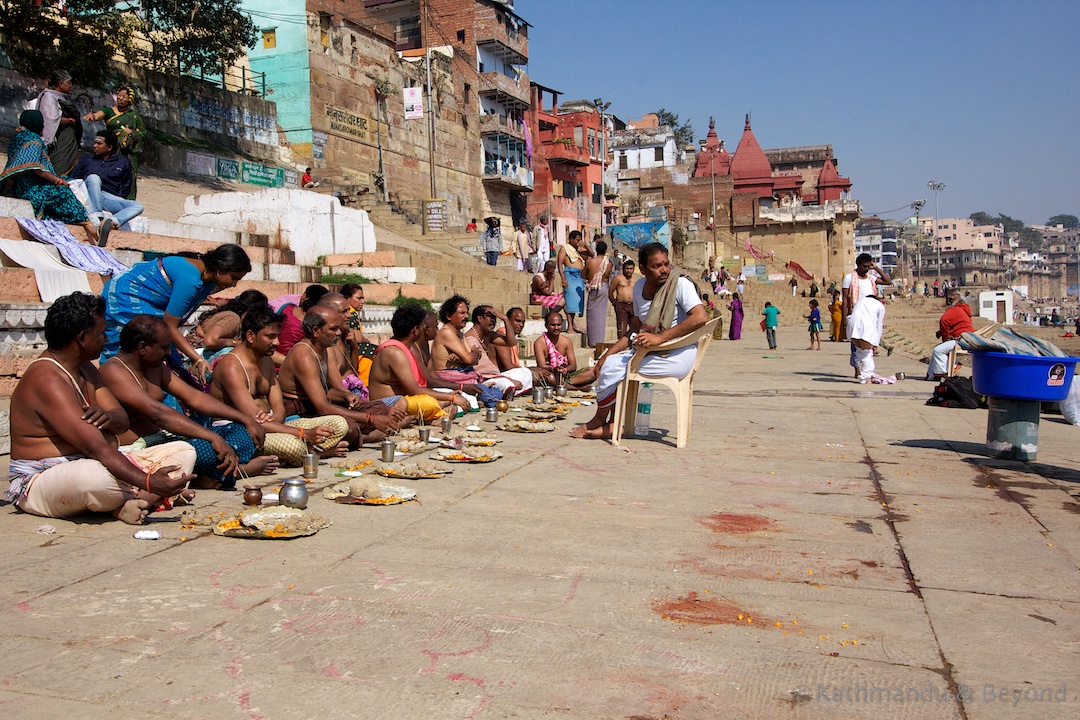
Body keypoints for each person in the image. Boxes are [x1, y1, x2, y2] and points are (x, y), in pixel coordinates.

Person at [3, 293, 194, 524]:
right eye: (101, 333)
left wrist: (108, 416)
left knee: (183, 451)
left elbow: (121, 421)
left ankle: (134, 503)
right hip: (42, 479)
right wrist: (149, 481)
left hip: (96, 460)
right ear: (83, 338)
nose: (106, 338)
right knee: (95, 479)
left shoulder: (87, 369)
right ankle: (146, 496)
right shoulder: (47, 377)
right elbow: (97, 448)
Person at [100, 314, 270, 490]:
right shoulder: (114, 371)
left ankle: (208, 474)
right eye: (164, 347)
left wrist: (245, 418)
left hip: (165, 439)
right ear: (143, 347)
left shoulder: (155, 367)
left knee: (240, 432)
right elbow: (158, 414)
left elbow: (194, 397)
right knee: (203, 450)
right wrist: (212, 436)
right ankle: (237, 470)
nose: (168, 353)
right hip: (139, 448)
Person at [570, 242, 706, 440]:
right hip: (651, 352)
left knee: (614, 368)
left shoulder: (680, 285)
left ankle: (600, 420)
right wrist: (605, 355)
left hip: (678, 355)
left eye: (666, 264)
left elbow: (700, 317)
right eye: (657, 266)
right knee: (609, 363)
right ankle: (614, 423)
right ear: (643, 269)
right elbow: (635, 329)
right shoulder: (639, 287)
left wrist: (659, 338)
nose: (664, 270)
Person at [210, 305, 349, 465]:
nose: (276, 342)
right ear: (250, 336)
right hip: (242, 431)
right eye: (270, 337)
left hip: (274, 424)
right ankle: (313, 454)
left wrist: (276, 420)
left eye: (277, 336)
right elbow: (254, 420)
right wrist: (303, 433)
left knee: (339, 424)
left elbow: (279, 407)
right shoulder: (231, 366)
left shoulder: (266, 360)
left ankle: (304, 454)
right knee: (293, 446)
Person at [102, 244, 252, 381]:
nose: (234, 284)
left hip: (147, 303)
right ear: (220, 270)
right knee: (130, 351)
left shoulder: (205, 278)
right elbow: (170, 326)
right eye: (234, 278)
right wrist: (198, 360)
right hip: (126, 298)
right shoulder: (191, 281)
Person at [277, 306, 405, 447]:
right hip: (300, 415)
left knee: (379, 408)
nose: (338, 333)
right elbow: (322, 407)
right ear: (315, 331)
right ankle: (363, 437)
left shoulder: (323, 350)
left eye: (339, 328)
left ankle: (365, 431)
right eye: (333, 329)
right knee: (346, 426)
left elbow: (326, 391)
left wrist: (345, 396)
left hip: (318, 408)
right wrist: (371, 419)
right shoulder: (304, 355)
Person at [0, 110, 100, 245]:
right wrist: (57, 180)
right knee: (64, 191)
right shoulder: (33, 139)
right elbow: (36, 168)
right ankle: (90, 225)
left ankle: (90, 221)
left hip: (23, 186)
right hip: (30, 188)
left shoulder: (18, 137)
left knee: (71, 183)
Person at [368, 304, 470, 421]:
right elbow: (415, 390)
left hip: (406, 400)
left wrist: (450, 397)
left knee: (444, 402)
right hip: (388, 405)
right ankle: (434, 416)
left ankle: (433, 416)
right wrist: (452, 397)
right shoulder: (394, 352)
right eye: (421, 327)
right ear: (415, 330)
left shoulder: (404, 348)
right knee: (430, 402)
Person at [69, 129, 145, 245]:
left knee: (137, 205)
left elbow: (126, 187)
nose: (95, 146)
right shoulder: (87, 159)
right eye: (95, 143)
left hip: (107, 197)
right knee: (93, 178)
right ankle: (98, 218)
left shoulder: (123, 162)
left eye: (99, 144)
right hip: (88, 195)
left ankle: (111, 222)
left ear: (109, 147)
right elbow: (74, 180)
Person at [430, 295, 503, 407]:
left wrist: (468, 356)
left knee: (496, 390)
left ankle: (479, 398)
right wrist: (474, 353)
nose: (466, 316)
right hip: (448, 378)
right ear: (449, 316)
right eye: (462, 313)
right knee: (491, 393)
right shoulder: (446, 332)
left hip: (464, 374)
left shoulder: (459, 333)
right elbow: (470, 358)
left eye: (466, 313)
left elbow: (473, 360)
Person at [82, 85, 145, 199]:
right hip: (111, 149)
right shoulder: (109, 111)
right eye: (119, 95)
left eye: (124, 96)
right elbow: (99, 114)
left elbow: (142, 133)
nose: (120, 98)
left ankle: (126, 201)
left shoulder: (134, 116)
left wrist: (130, 132)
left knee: (128, 176)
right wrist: (93, 116)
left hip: (127, 153)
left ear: (129, 99)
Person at [187, 289, 269, 368]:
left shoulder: (237, 321)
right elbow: (210, 341)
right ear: (247, 310)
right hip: (193, 360)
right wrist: (234, 343)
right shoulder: (233, 318)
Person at [464, 304, 532, 398]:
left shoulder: (488, 335)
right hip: (484, 379)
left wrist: (505, 319)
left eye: (495, 318)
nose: (494, 321)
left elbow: (511, 342)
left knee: (526, 372)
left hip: (495, 376)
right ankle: (504, 390)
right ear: (480, 319)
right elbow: (484, 372)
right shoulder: (470, 339)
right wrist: (508, 379)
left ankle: (507, 390)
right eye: (490, 317)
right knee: (504, 383)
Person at [843, 253, 892, 377]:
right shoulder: (849, 278)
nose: (866, 269)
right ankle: (857, 369)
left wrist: (875, 268)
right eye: (865, 266)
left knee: (868, 341)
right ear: (858, 265)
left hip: (870, 314)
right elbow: (845, 299)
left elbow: (887, 281)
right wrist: (844, 318)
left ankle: (865, 367)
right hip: (856, 313)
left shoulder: (871, 278)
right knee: (856, 341)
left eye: (868, 267)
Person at [36, 70, 82, 176]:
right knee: (57, 167)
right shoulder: (49, 97)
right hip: (57, 143)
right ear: (61, 84)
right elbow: (49, 119)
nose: (71, 86)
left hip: (68, 141)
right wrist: (69, 121)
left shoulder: (63, 97)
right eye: (69, 83)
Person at [926, 289, 974, 380]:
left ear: (958, 300)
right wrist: (943, 333)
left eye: (951, 300)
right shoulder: (962, 309)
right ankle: (932, 374)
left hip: (962, 339)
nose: (949, 302)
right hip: (966, 338)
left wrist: (945, 336)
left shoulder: (956, 309)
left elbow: (944, 320)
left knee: (938, 350)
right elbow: (956, 324)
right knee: (938, 349)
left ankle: (943, 372)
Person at [274, 284, 329, 361]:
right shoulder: (317, 323)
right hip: (295, 364)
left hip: (273, 358)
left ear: (305, 297)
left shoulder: (286, 308)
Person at [848, 294, 890, 383]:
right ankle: (865, 378)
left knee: (860, 351)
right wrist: (875, 343)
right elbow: (879, 326)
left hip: (852, 325)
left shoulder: (860, 301)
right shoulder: (880, 305)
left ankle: (864, 374)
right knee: (867, 353)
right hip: (865, 327)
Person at [534, 311, 578, 386]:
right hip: (549, 374)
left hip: (564, 373)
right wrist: (554, 369)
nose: (556, 328)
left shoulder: (566, 341)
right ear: (546, 325)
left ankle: (566, 384)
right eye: (553, 325)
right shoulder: (539, 343)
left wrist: (565, 370)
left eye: (559, 325)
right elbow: (542, 366)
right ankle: (574, 386)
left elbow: (573, 365)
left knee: (591, 372)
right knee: (551, 378)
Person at [559, 230, 589, 334]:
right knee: (569, 302)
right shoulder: (565, 248)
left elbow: (591, 254)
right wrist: (563, 278)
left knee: (576, 303)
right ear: (571, 239)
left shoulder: (578, 251)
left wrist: (584, 244)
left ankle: (573, 324)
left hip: (579, 278)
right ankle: (570, 326)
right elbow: (559, 264)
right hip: (569, 276)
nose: (578, 242)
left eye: (580, 240)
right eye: (577, 240)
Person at [584, 240, 613, 347]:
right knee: (601, 316)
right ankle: (599, 341)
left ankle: (592, 342)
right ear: (605, 251)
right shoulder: (609, 263)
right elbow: (608, 276)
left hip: (594, 287)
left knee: (591, 315)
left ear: (596, 249)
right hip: (604, 287)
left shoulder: (590, 262)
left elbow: (584, 274)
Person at [609, 259, 636, 339]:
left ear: (633, 269)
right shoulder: (618, 278)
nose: (629, 271)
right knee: (622, 328)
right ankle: (621, 347)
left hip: (633, 306)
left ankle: (632, 347)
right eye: (627, 268)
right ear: (623, 269)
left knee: (634, 327)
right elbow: (610, 291)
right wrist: (614, 303)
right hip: (621, 306)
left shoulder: (635, 281)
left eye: (631, 269)